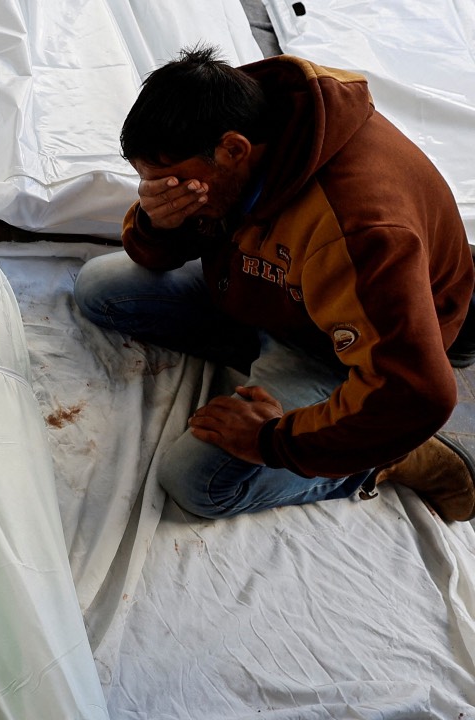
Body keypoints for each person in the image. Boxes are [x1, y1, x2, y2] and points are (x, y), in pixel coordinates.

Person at [73, 45, 475, 522]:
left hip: (336, 344)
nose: (166, 193)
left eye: (176, 184)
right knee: (101, 288)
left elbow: (419, 392)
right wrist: (159, 224)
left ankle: (386, 458)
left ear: (234, 149)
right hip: (273, 293)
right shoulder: (241, 115)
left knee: (195, 481)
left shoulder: (359, 228)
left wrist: (272, 440)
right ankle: (260, 352)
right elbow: (170, 246)